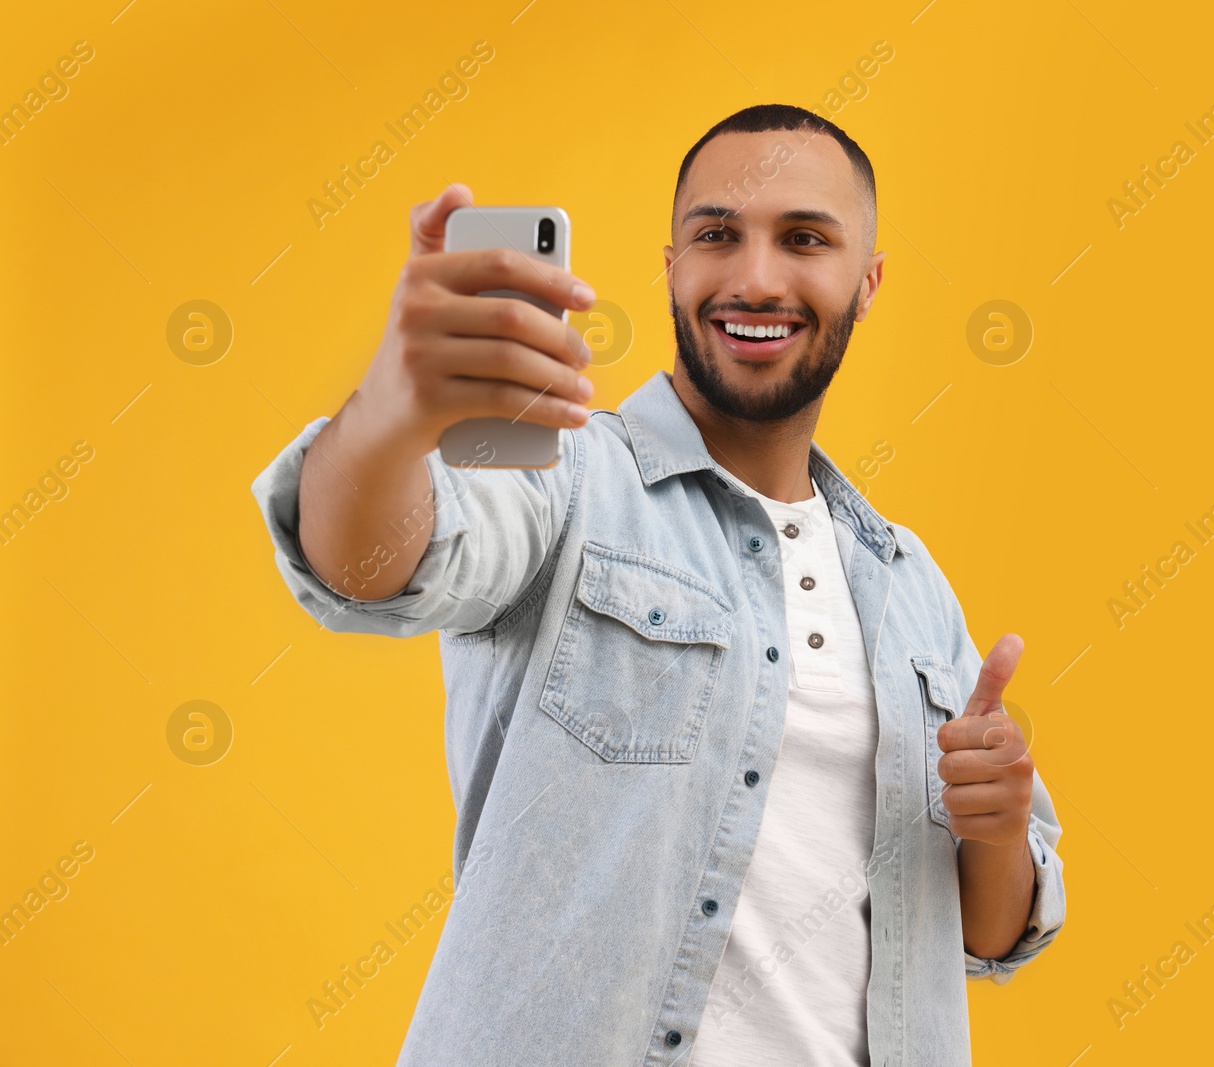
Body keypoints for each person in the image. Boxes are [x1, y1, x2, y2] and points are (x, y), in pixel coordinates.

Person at [252, 103, 1065, 1066]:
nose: (756, 276)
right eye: (716, 235)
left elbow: (987, 934)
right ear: (672, 266)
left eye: (805, 238)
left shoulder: (911, 586)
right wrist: (389, 409)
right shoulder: (562, 480)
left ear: (868, 280)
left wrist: (1000, 826)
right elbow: (367, 565)